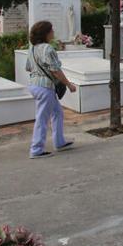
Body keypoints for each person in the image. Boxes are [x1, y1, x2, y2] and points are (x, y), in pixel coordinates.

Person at [25, 21, 77, 159]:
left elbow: (28, 67)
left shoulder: (32, 49)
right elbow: (55, 70)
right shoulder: (48, 49)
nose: (53, 32)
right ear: (46, 33)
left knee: (57, 112)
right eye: (51, 30)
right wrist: (68, 84)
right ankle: (36, 150)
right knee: (42, 119)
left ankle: (59, 142)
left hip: (35, 86)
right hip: (45, 87)